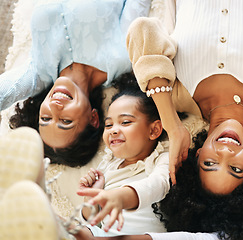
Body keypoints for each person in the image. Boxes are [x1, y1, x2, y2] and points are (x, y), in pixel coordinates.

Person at [126, 0, 243, 193]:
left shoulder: (175, 93)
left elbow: (143, 29)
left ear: (198, 154)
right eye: (235, 169)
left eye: (210, 163)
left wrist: (173, 127)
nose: (225, 153)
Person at [1, 0, 151, 167]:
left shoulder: (40, 74)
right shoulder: (121, 58)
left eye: (45, 118)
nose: (55, 107)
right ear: (93, 118)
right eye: (65, 121)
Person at [76, 73, 169, 236]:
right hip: (104, 235)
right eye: (109, 124)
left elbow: (159, 184)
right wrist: (92, 198)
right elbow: (92, 222)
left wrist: (121, 196)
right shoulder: (107, 165)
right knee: (73, 229)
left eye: (125, 122)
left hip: (143, 237)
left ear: (154, 130)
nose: (113, 130)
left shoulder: (162, 158)